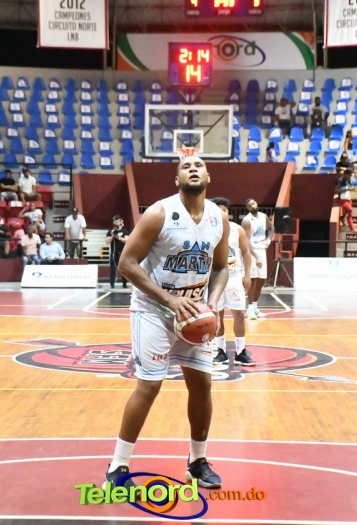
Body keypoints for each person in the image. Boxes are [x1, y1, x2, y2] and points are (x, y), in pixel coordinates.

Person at [105, 153, 229, 490]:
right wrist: (170, 300)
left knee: (202, 385)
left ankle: (197, 462)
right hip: (154, 311)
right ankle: (117, 468)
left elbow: (221, 267)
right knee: (149, 385)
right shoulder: (159, 213)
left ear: (208, 177)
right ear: (177, 180)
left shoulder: (218, 218)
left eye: (199, 165)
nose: (193, 168)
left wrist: (213, 305)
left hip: (194, 314)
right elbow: (126, 264)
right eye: (186, 167)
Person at [210, 197, 254, 367]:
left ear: (228, 212)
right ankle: (220, 351)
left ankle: (240, 352)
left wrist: (247, 275)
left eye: (225, 209)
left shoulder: (237, 229)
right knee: (218, 315)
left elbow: (246, 252)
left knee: (239, 314)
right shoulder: (208, 229)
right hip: (215, 278)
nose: (222, 212)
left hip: (235, 277)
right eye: (218, 209)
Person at [242, 198, 272, 319]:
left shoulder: (263, 216)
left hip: (262, 249)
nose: (253, 206)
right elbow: (246, 241)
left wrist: (268, 240)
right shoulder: (247, 221)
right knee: (252, 279)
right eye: (250, 205)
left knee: (261, 279)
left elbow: (272, 229)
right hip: (252, 251)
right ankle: (249, 309)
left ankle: (255, 307)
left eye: (253, 203)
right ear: (248, 208)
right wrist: (256, 256)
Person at [106, 215, 129, 288]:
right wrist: (113, 235)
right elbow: (107, 241)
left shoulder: (124, 231)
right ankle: (112, 284)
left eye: (117, 221)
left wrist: (118, 237)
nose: (116, 222)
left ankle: (124, 283)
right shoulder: (110, 231)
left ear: (120, 221)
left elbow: (127, 240)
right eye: (114, 221)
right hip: (113, 253)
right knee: (113, 268)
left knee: (123, 268)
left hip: (122, 252)